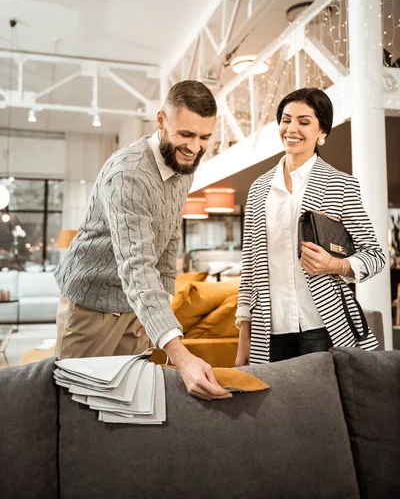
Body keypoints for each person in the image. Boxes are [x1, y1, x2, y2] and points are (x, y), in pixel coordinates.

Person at [55, 80, 231, 401]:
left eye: (205, 137)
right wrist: (179, 355)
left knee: (128, 397)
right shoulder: (129, 174)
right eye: (186, 135)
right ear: (161, 121)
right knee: (79, 400)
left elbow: (168, 238)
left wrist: (157, 311)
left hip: (133, 304)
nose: (195, 147)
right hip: (91, 301)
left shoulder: (184, 165)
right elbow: (136, 264)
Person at [235, 87, 386, 365]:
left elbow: (375, 255)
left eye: (304, 122)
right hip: (270, 330)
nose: (292, 128)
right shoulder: (258, 190)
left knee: (326, 406)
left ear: (322, 133)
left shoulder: (340, 184)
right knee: (276, 406)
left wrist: (335, 265)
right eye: (286, 119)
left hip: (323, 324)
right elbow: (250, 268)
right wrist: (244, 334)